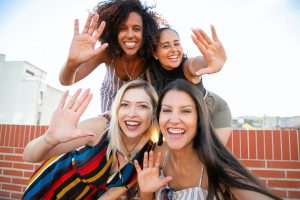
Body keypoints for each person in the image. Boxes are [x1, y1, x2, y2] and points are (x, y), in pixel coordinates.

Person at [134, 79, 281, 200]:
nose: (173, 119)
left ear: (199, 118)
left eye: (185, 111)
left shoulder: (216, 165)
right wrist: (146, 192)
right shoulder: (157, 154)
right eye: (166, 110)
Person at [23, 80, 158, 199]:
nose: (132, 114)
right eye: (125, 105)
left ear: (153, 112)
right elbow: (29, 156)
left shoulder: (149, 151)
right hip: (46, 192)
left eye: (142, 106)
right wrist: (49, 138)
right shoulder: (100, 127)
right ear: (117, 109)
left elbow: (113, 192)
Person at [59, 0, 160, 113]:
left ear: (145, 32)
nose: (130, 35)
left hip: (139, 103)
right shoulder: (107, 53)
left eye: (136, 29)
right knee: (109, 128)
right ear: (113, 32)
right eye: (122, 29)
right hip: (111, 101)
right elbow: (66, 81)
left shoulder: (150, 54)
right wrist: (72, 62)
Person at [146, 26, 231, 144]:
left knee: (210, 158)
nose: (174, 49)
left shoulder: (187, 67)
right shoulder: (150, 72)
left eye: (176, 44)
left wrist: (208, 61)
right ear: (155, 53)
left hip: (214, 110)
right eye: (166, 46)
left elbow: (195, 64)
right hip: (189, 116)